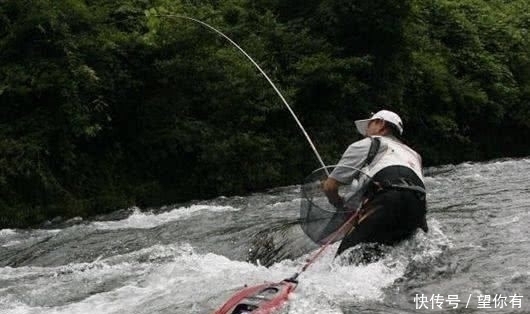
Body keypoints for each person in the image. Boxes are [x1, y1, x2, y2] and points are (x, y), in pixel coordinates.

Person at [323, 109, 428, 260]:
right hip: (418, 208)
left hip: (388, 200)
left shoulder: (368, 143)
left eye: (369, 124)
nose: (366, 131)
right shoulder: (414, 155)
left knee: (344, 260)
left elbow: (330, 187)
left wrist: (338, 203)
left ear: (381, 125)